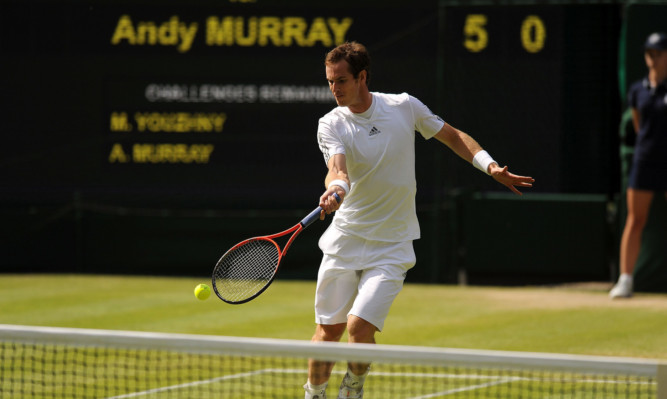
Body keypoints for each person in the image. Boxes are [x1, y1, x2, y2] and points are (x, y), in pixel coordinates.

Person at [304, 41, 535, 399]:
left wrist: (489, 166)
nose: (334, 89)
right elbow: (338, 169)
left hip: (392, 245)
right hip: (345, 240)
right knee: (328, 333)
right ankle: (313, 394)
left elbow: (453, 136)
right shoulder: (330, 123)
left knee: (358, 328)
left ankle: (353, 388)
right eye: (330, 81)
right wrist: (336, 189)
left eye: (342, 81)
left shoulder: (403, 106)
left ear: (362, 77)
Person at [610, 32, 667, 299]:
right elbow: (638, 126)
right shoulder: (637, 90)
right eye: (649, 54)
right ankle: (625, 280)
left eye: (658, 53)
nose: (653, 59)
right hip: (645, 162)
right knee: (635, 219)